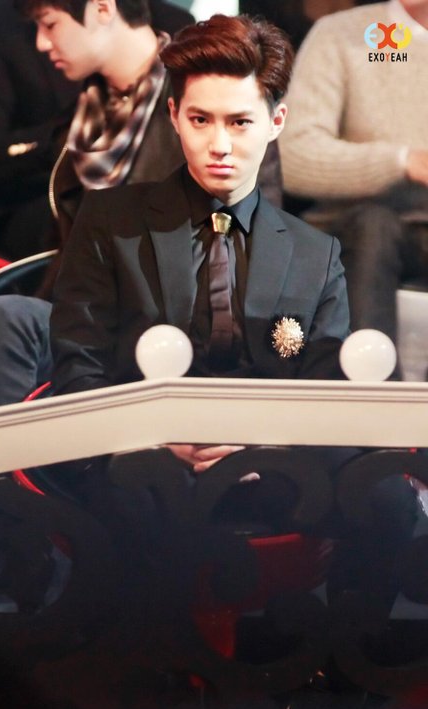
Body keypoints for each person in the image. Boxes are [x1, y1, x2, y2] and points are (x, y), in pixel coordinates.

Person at [49, 12, 350, 476]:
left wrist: (262, 445)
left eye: (240, 122)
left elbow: (328, 394)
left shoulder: (316, 254)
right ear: (174, 116)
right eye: (200, 120)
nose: (219, 144)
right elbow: (78, 368)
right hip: (142, 468)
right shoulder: (111, 222)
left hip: (277, 472)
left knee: (387, 499)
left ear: (276, 121)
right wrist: (153, 440)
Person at [0, 0, 282, 408]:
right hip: (94, 312)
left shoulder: (203, 101)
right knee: (6, 317)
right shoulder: (88, 114)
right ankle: (10, 448)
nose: (42, 43)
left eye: (50, 24)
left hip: (178, 318)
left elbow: (247, 236)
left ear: (102, 9)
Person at [278, 0, 428, 348]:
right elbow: (292, 155)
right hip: (360, 226)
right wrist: (402, 161)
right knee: (374, 227)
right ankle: (369, 375)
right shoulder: (341, 35)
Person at [0, 0, 80, 260]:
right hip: (26, 195)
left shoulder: (159, 24)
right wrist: (59, 139)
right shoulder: (1, 24)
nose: (43, 42)